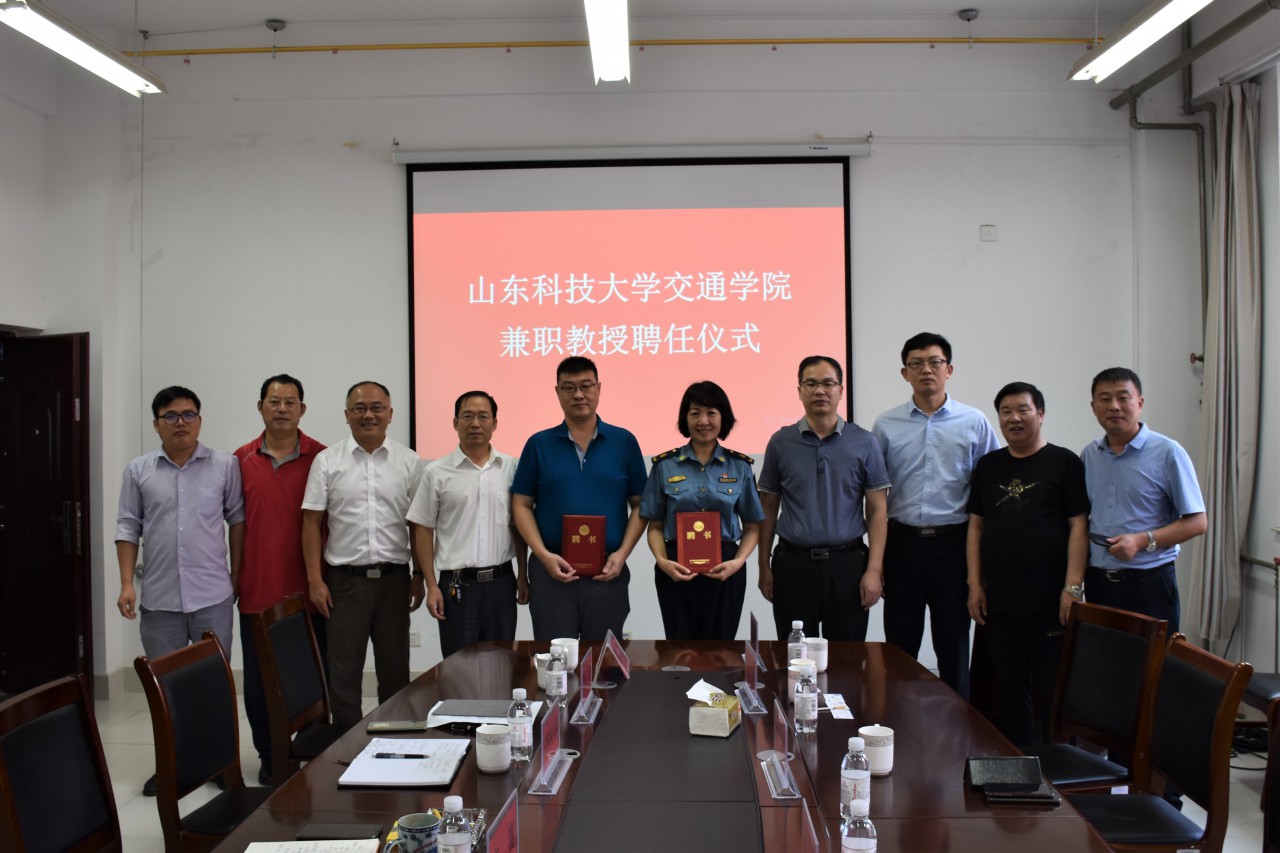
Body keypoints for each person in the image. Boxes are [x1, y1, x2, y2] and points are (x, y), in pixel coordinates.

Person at [115, 385, 244, 795]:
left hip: (212, 597)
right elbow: (127, 526)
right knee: (166, 691)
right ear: (156, 424)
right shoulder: (138, 470)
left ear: (200, 421)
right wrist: (125, 583)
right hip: (159, 599)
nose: (181, 423)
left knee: (214, 687)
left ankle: (221, 764)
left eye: (189, 415)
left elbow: (237, 520)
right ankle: (173, 767)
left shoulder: (225, 466)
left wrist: (236, 575)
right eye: (170, 416)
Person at [873, 332, 998, 700]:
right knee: (899, 648)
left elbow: (988, 489)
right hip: (902, 544)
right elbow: (876, 495)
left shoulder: (974, 422)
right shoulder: (886, 424)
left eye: (934, 362)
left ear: (949, 369)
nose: (926, 370)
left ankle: (959, 727)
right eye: (916, 364)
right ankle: (895, 723)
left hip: (953, 547)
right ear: (904, 373)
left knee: (954, 647)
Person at [966, 382, 1089, 745]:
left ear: (1041, 414)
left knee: (1053, 690)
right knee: (1009, 690)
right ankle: (1017, 761)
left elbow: (1078, 526)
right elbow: (975, 527)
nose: (1014, 418)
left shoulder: (1065, 462)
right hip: (1000, 601)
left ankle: (1058, 764)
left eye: (1023, 410)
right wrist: (974, 584)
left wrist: (1073, 586)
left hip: (1051, 600)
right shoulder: (988, 465)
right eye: (1006, 412)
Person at [302, 381, 425, 729]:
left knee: (395, 671)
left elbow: (418, 525)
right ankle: (346, 746)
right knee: (343, 672)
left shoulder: (409, 462)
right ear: (347, 415)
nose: (368, 415)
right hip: (344, 584)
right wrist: (315, 581)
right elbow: (311, 523)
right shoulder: (328, 461)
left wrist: (419, 575)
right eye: (359, 408)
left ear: (390, 414)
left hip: (394, 581)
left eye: (376, 408)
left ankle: (393, 743)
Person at [231, 373, 326, 785]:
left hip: (310, 593)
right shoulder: (239, 461)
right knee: (259, 685)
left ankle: (308, 751)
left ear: (302, 409)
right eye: (274, 401)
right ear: (260, 407)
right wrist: (234, 577)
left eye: (290, 402)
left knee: (311, 679)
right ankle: (271, 756)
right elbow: (235, 526)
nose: (282, 409)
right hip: (258, 591)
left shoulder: (322, 458)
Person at [512, 356, 647, 641]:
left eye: (586, 386)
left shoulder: (624, 442)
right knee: (554, 658)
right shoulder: (538, 444)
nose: (578, 395)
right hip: (551, 572)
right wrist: (543, 555)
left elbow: (640, 505)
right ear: (557, 392)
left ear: (599, 388)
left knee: (603, 659)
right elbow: (521, 504)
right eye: (569, 387)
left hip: (607, 572)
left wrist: (622, 554)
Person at [756, 356, 889, 643]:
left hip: (848, 565)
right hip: (793, 564)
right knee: (795, 655)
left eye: (828, 383)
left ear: (841, 390)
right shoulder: (781, 442)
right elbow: (768, 507)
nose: (820, 391)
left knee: (847, 656)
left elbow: (878, 510)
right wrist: (763, 565)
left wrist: (874, 570)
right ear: (799, 390)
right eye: (811, 384)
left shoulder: (864, 442)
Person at [1082, 367, 1206, 633]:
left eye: (1123, 397)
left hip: (1149, 583)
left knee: (1153, 658)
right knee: (1101, 657)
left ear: (1139, 403)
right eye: (1105, 399)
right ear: (1093, 407)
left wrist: (1142, 540)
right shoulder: (1090, 455)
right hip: (1098, 583)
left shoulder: (1168, 452)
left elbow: (1198, 522)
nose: (1114, 406)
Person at [407, 390, 529, 658]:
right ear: (455, 422)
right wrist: (431, 585)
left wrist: (523, 574)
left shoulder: (511, 468)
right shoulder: (436, 473)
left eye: (483, 416)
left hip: (502, 583)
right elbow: (423, 529)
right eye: (468, 416)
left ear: (494, 423)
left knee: (501, 663)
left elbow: (517, 527)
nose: (475, 423)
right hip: (457, 586)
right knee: (459, 667)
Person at [640, 381, 765, 640]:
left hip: (726, 567)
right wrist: (662, 561)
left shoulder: (740, 466)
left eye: (711, 413)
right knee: (679, 648)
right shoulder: (665, 466)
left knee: (722, 648)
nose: (703, 421)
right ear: (685, 418)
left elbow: (752, 526)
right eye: (695, 413)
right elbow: (655, 526)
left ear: (723, 418)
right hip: (675, 568)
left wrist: (737, 562)